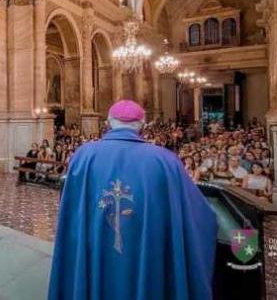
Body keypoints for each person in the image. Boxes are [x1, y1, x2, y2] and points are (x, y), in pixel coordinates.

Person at [49, 100, 217, 300]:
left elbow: (71, 210)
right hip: (149, 254)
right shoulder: (165, 160)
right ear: (142, 124)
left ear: (108, 122)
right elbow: (196, 212)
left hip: (94, 247)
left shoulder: (84, 156)